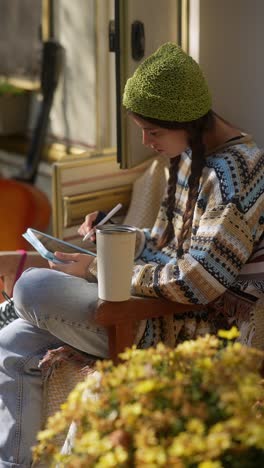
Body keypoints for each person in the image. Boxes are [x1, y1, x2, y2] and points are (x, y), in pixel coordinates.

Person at [0, 42, 263, 467]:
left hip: (189, 325)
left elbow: (199, 282)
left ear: (189, 122)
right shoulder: (189, 157)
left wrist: (101, 269)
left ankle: (21, 304)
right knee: (11, 343)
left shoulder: (238, 171)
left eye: (153, 132)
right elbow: (161, 242)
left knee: (32, 285)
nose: (146, 142)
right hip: (154, 303)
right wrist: (111, 235)